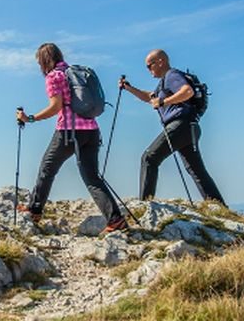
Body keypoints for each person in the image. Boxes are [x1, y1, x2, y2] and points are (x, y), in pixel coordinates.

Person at [17, 43, 128, 233]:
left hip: (68, 131)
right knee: (92, 177)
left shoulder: (54, 76)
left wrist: (30, 118)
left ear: (44, 61)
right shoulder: (74, 72)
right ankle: (116, 220)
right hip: (92, 131)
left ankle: (34, 210)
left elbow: (55, 106)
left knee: (47, 168)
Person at [117, 49, 227, 206]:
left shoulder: (172, 75)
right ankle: (220, 207)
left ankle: (146, 204)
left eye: (149, 65)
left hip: (180, 125)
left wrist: (163, 102)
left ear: (160, 62)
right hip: (190, 127)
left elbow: (187, 91)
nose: (148, 70)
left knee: (149, 158)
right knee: (196, 171)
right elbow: (150, 97)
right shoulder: (164, 82)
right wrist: (129, 88)